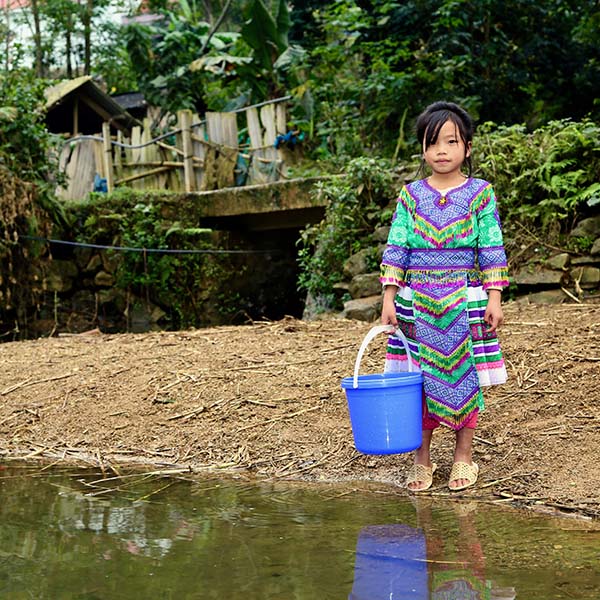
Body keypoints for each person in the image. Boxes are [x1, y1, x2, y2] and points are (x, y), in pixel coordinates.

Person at [380, 101, 509, 492]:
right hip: (414, 301)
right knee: (420, 382)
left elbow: (490, 248)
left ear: (466, 148)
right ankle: (422, 459)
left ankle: (464, 459)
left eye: (450, 142)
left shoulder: (480, 195)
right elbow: (397, 246)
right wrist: (389, 296)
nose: (441, 151)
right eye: (432, 142)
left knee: (464, 378)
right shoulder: (410, 196)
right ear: (422, 149)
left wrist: (494, 297)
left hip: (464, 300)